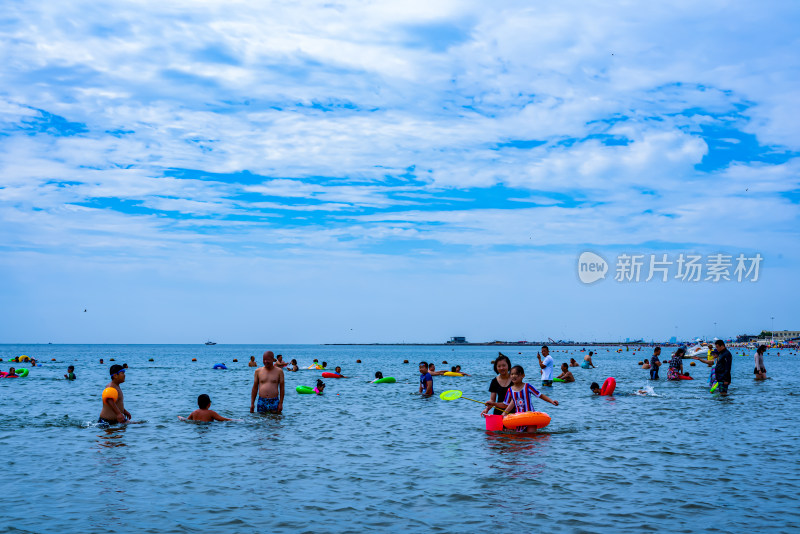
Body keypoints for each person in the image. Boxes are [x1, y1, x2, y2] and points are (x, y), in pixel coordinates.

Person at [500, 365, 559, 432]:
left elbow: (540, 395)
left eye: (516, 374)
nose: (513, 376)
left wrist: (552, 401)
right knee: (520, 438)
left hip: (531, 418)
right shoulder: (510, 390)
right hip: (519, 419)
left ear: (523, 375)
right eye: (512, 374)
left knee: (531, 437)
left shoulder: (527, 386)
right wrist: (504, 413)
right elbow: (511, 403)